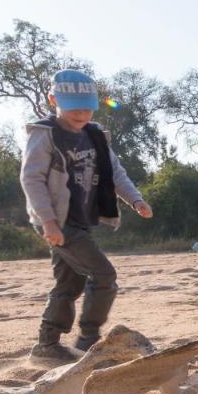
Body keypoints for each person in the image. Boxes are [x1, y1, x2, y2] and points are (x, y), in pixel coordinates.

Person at [20, 70, 152, 364]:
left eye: (87, 106)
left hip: (78, 219)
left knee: (69, 282)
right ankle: (88, 340)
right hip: (56, 220)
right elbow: (32, 179)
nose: (81, 113)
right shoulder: (44, 136)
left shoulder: (95, 136)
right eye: (73, 106)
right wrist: (49, 222)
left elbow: (115, 172)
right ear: (53, 99)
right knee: (104, 275)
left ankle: (46, 346)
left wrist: (135, 199)